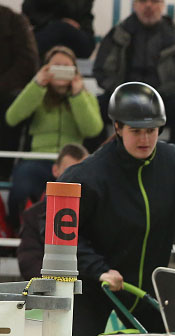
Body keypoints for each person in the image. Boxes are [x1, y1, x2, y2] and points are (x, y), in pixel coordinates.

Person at [62, 82, 175, 336]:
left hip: (148, 287)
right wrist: (99, 270)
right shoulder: (86, 176)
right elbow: (60, 233)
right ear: (117, 128)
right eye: (136, 131)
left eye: (152, 131)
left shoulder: (174, 160)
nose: (145, 139)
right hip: (94, 286)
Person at [4, 45, 102, 230]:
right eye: (56, 65)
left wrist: (77, 95)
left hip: (73, 161)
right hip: (38, 159)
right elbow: (12, 117)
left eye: (67, 66)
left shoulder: (84, 97)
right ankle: (21, 232)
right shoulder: (37, 94)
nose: (61, 70)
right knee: (22, 187)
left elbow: (92, 129)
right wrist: (37, 85)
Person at [93, 0, 175, 154]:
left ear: (162, 5)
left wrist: (156, 97)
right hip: (124, 97)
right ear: (134, 5)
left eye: (154, 1)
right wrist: (123, 92)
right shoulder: (119, 33)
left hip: (162, 98)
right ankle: (93, 164)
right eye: (142, 1)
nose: (148, 6)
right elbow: (102, 71)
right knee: (95, 108)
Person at [17, 143, 88, 280]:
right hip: (52, 294)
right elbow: (28, 261)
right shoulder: (33, 215)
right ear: (55, 170)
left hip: (89, 292)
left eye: (81, 172)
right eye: (69, 171)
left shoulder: (96, 211)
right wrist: (58, 285)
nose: (75, 178)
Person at [0, 6, 39, 174]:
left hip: (6, 94)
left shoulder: (15, 21)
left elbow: (27, 64)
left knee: (11, 107)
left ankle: (3, 172)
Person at [21, 0, 95, 59]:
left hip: (77, 34)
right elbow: (28, 11)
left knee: (62, 28)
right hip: (47, 30)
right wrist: (56, 21)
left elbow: (86, 18)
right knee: (59, 28)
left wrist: (77, 27)